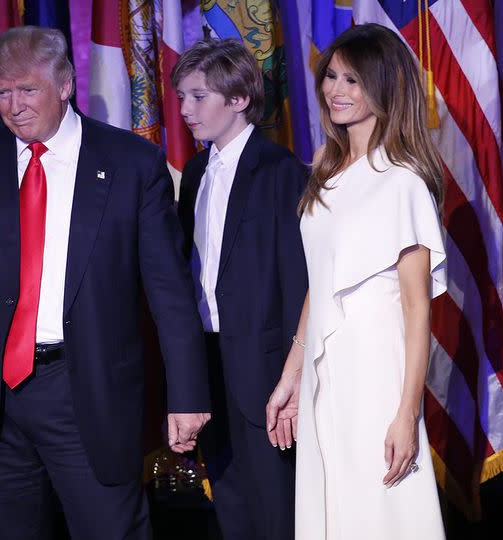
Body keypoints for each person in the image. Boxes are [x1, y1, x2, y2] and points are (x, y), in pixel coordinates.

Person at [0, 26, 211, 540]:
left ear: (66, 85)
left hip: (86, 390)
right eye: (2, 91)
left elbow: (170, 291)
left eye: (27, 90)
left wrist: (187, 393)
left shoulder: (130, 163)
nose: (13, 105)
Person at [265, 23, 447, 539]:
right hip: (328, 374)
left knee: (380, 512)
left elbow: (418, 309)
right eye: (332, 77)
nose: (335, 90)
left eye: (352, 80)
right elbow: (319, 286)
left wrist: (407, 413)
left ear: (384, 86)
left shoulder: (404, 180)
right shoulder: (325, 168)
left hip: (377, 372)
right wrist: (292, 377)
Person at [172, 38, 307, 539]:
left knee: (276, 508)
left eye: (199, 96)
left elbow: (298, 282)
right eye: (181, 96)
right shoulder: (196, 171)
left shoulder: (280, 171)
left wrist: (292, 380)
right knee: (230, 503)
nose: (185, 110)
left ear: (239, 99)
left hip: (267, 371)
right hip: (210, 361)